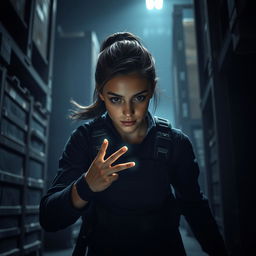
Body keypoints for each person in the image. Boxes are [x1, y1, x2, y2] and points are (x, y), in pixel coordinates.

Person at [39, 32, 228, 256]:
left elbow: (196, 209)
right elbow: (49, 219)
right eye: (115, 99)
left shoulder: (175, 144)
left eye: (139, 97)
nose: (128, 112)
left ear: (151, 89)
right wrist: (85, 185)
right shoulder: (84, 140)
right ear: (101, 93)